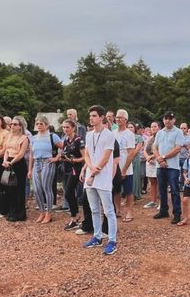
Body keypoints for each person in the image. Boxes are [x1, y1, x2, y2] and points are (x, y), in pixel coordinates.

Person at [81, 105, 118, 255]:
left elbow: (106, 157)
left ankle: (112, 241)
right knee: (94, 209)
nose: (91, 118)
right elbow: (87, 154)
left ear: (102, 117)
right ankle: (97, 237)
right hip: (91, 177)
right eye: (90, 116)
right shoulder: (89, 135)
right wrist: (90, 168)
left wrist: (95, 171)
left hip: (102, 177)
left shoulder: (109, 135)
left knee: (108, 211)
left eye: (94, 115)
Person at [28, 116, 62, 224]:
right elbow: (31, 154)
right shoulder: (33, 138)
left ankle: (49, 213)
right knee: (37, 189)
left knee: (46, 187)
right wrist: (30, 169)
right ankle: (42, 212)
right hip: (36, 163)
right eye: (37, 124)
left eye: (41, 123)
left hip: (47, 162)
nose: (39, 125)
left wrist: (56, 158)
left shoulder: (52, 136)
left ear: (47, 125)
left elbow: (62, 147)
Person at [153, 112, 185, 224]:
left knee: (175, 190)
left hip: (173, 167)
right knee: (162, 190)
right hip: (160, 166)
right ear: (163, 120)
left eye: (170, 118)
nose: (168, 120)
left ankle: (177, 213)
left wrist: (163, 157)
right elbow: (154, 147)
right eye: (166, 118)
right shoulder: (159, 132)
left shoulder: (178, 132)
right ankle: (163, 211)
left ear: (174, 120)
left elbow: (177, 149)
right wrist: (159, 159)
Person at [2, 116, 31, 222]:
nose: (12, 126)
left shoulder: (24, 138)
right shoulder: (9, 136)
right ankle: (11, 211)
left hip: (18, 164)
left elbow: (21, 154)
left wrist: (11, 162)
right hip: (8, 162)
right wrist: (5, 160)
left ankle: (20, 213)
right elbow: (6, 150)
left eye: (15, 124)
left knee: (19, 189)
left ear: (20, 126)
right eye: (11, 124)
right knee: (9, 189)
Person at [59, 119, 85, 230]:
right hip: (68, 168)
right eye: (64, 127)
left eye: (67, 127)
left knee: (69, 192)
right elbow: (65, 153)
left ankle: (75, 217)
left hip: (77, 168)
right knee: (69, 192)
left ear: (73, 128)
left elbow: (85, 157)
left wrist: (73, 160)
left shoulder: (79, 140)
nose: (65, 129)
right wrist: (63, 158)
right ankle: (75, 215)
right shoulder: (66, 140)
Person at [113, 110, 137, 222]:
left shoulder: (129, 134)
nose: (118, 119)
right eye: (117, 117)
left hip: (126, 168)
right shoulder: (113, 133)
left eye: (120, 117)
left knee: (128, 191)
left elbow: (131, 153)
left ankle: (129, 212)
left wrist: (124, 170)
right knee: (116, 190)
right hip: (115, 167)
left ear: (126, 120)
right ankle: (117, 210)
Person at [142, 122, 159, 209]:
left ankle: (161, 202)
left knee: (159, 182)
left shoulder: (161, 138)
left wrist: (152, 157)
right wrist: (147, 157)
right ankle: (153, 201)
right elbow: (145, 150)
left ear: (159, 128)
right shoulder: (149, 138)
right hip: (149, 161)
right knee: (152, 182)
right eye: (152, 127)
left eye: (155, 126)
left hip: (157, 160)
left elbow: (160, 150)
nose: (153, 128)